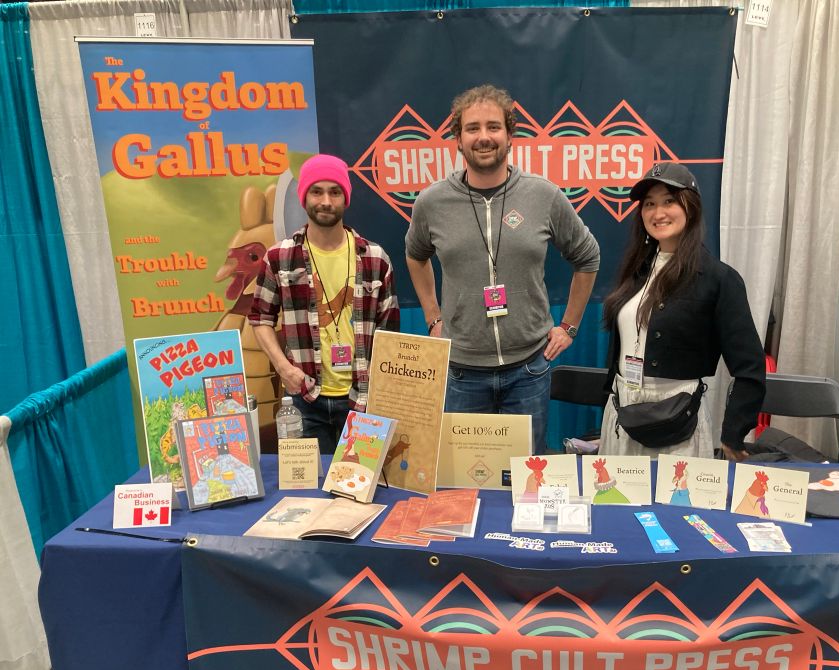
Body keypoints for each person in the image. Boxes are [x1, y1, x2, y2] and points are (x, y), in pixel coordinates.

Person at [405, 84, 600, 453]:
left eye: (493, 127)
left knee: (527, 478)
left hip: (528, 370)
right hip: (462, 372)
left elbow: (588, 257)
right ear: (458, 139)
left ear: (510, 135)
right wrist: (433, 316)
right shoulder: (432, 202)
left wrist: (569, 326)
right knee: (467, 479)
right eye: (472, 128)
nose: (483, 137)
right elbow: (415, 255)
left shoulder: (543, 195)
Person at [599, 162, 764, 460]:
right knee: (617, 504)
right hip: (622, 416)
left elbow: (750, 368)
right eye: (649, 204)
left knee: (676, 507)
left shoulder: (719, 279)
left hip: (677, 423)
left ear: (691, 206)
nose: (658, 212)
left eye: (669, 201)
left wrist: (734, 433)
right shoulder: (636, 272)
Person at [249, 153, 400, 453]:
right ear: (304, 197)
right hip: (304, 401)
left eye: (335, 192)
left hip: (363, 402)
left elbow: (389, 334)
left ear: (346, 198)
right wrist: (283, 368)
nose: (326, 201)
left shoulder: (375, 258)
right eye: (317, 191)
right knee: (307, 496)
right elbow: (260, 318)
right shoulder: (279, 258)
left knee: (361, 492)